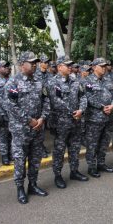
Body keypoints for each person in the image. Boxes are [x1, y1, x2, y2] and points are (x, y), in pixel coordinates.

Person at [4, 51, 50, 204]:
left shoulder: (39, 81)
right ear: (22, 64)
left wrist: (42, 118)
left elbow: (46, 101)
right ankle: (20, 188)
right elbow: (11, 105)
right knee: (20, 160)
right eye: (32, 62)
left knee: (35, 159)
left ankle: (33, 185)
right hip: (21, 130)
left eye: (36, 62)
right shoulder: (13, 83)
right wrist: (29, 120)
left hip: (37, 129)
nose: (35, 65)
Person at [48, 56, 89, 189]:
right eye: (67, 65)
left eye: (71, 65)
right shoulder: (53, 82)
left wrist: (81, 110)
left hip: (76, 121)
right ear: (59, 67)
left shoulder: (75, 81)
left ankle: (74, 171)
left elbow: (83, 96)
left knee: (75, 147)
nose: (70, 67)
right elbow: (56, 102)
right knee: (59, 150)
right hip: (61, 123)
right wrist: (74, 112)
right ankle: (58, 175)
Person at [83, 57, 113, 178]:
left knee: (105, 142)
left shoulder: (108, 80)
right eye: (101, 66)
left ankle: (101, 163)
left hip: (108, 117)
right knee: (92, 143)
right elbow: (88, 97)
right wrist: (103, 107)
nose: (104, 68)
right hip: (94, 119)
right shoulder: (87, 81)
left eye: (105, 66)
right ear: (94, 67)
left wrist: (112, 105)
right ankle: (91, 166)